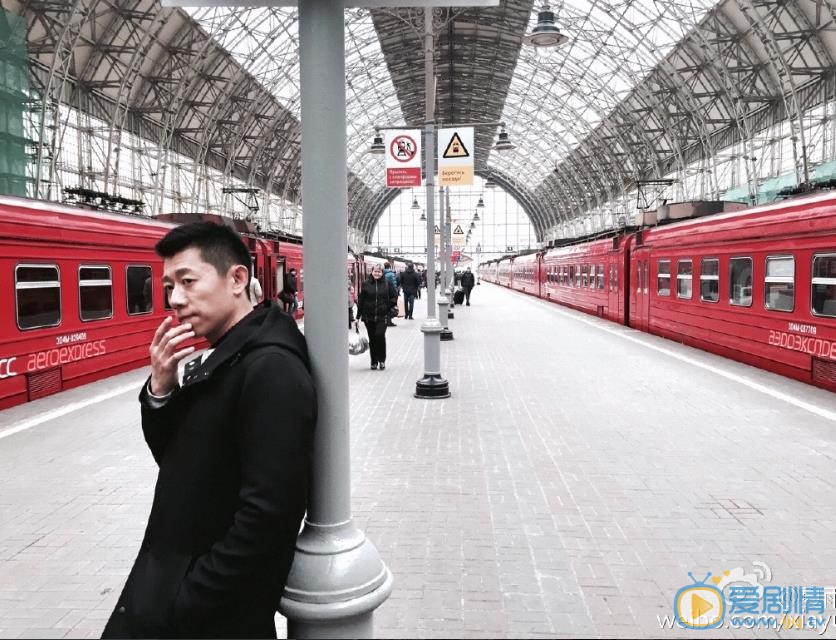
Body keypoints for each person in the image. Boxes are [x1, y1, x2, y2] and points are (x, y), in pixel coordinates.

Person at [101, 222, 317, 639]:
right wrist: (161, 389)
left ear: (237, 279)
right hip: (177, 592)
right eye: (168, 286)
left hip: (206, 617)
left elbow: (269, 516)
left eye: (187, 281)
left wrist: (187, 601)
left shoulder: (270, 369)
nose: (175, 299)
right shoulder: (228, 353)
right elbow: (180, 458)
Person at [357, 263, 397, 370]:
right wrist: (357, 316)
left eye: (379, 272)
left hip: (382, 316)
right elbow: (361, 300)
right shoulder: (365, 284)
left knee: (379, 335)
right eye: (375, 271)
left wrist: (388, 307)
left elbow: (394, 296)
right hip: (368, 316)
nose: (377, 273)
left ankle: (382, 360)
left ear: (382, 272)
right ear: (372, 271)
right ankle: (374, 362)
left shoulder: (387, 283)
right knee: (372, 338)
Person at [383, 262, 398, 326]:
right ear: (390, 266)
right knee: (390, 307)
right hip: (390, 293)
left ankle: (385, 320)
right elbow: (394, 284)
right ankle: (389, 321)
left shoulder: (382, 273)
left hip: (383, 292)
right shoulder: (391, 274)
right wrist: (396, 292)